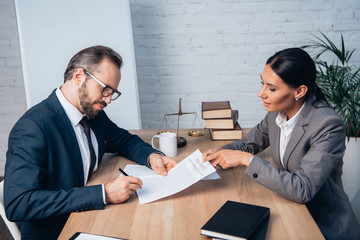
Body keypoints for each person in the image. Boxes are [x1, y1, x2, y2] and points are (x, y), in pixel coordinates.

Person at [4, 45, 177, 239]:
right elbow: (18, 203)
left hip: (90, 216)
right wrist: (103, 193)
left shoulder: (91, 112)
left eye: (113, 93)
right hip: (59, 230)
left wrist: (152, 156)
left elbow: (122, 140)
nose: (108, 100)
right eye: (105, 89)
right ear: (79, 77)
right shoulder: (33, 127)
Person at [203, 48, 360, 239]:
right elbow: (247, 144)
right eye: (262, 84)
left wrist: (248, 160)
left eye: (272, 88)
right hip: (289, 208)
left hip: (322, 224)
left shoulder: (328, 124)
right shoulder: (276, 113)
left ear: (299, 91)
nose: (261, 94)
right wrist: (218, 153)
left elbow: (303, 188)